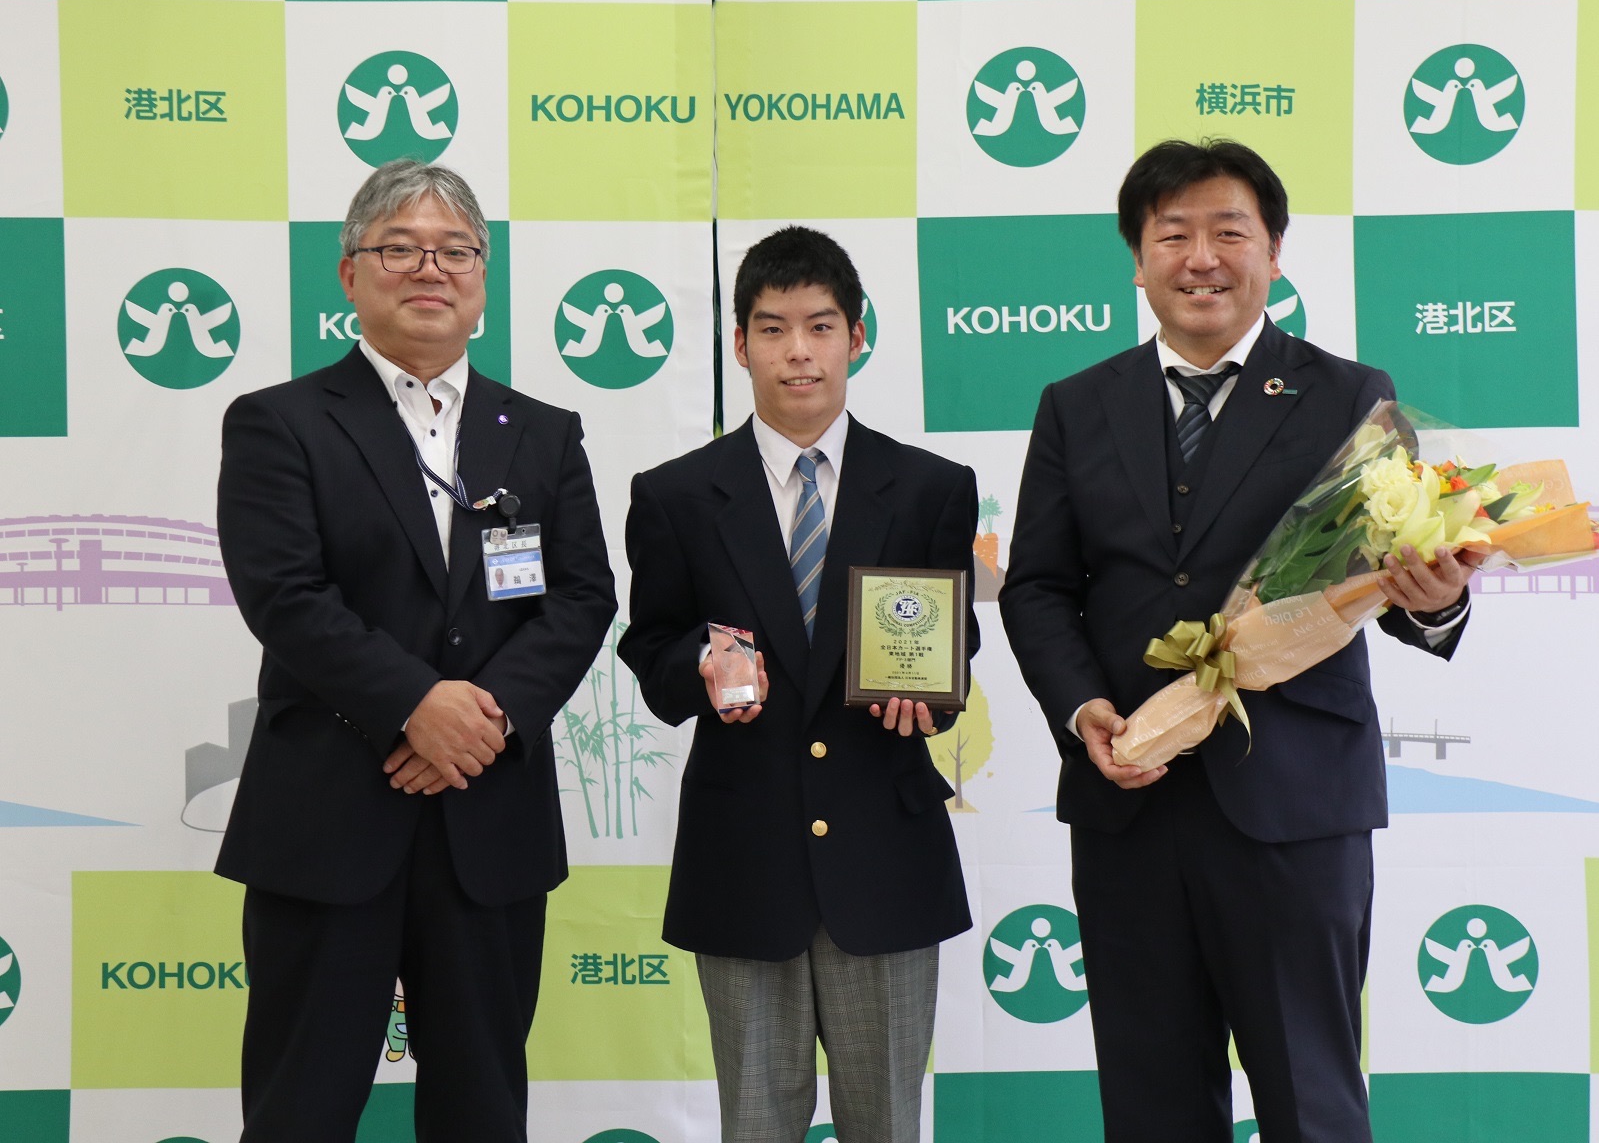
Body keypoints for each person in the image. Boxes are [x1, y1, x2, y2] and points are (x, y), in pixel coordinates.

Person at [998, 139, 1474, 1143]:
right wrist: (1085, 709)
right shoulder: (1076, 407)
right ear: (1137, 258)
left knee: (1311, 1097)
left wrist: (1433, 599)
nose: (1201, 257)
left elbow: (1389, 584)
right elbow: (1039, 585)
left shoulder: (1349, 396)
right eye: (1172, 234)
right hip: (1130, 797)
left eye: (1229, 232)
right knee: (1152, 1098)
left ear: (1276, 252)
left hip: (1294, 803)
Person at [214, 159, 617, 1143]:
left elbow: (580, 597)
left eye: (455, 251)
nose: (428, 268)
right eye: (399, 247)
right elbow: (287, 598)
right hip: (327, 822)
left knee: (482, 1110)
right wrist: (416, 706)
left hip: (490, 821)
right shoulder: (281, 423)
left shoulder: (543, 435)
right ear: (350, 275)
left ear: (483, 281)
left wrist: (483, 720)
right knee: (299, 1109)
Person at [618, 226, 978, 1142]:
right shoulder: (675, 495)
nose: (798, 352)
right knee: (756, 1124)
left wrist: (929, 697)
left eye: (819, 327)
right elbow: (650, 646)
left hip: (885, 860)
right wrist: (699, 665)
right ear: (739, 344)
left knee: (888, 1123)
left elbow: (950, 643)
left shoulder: (932, 487)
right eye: (772, 329)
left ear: (856, 336)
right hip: (743, 858)